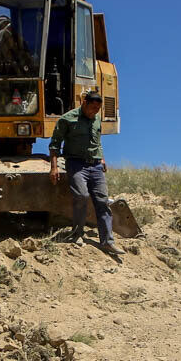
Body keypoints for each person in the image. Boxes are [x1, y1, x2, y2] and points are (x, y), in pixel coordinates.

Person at [48, 90, 118, 254]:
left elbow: (97, 140)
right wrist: (54, 167)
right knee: (82, 196)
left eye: (98, 109)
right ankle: (77, 234)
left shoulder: (96, 119)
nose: (95, 112)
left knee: (103, 202)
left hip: (96, 166)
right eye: (92, 108)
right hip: (76, 164)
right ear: (84, 103)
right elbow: (54, 144)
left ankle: (107, 241)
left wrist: (102, 158)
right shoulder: (67, 119)